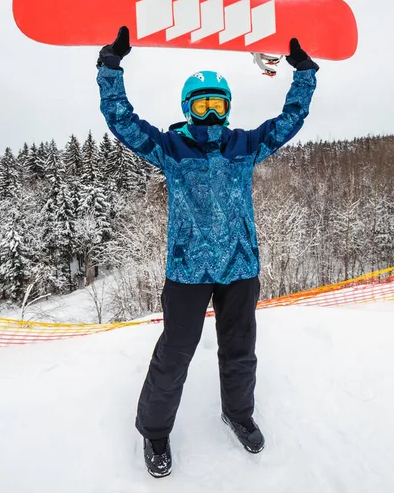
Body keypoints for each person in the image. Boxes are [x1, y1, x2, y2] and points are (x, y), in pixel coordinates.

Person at [96, 28, 319, 478]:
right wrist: (111, 68)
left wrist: (304, 73)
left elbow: (289, 120)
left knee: (240, 349)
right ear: (187, 109)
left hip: (239, 266)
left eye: (218, 103)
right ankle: (155, 431)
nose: (211, 111)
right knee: (176, 352)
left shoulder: (245, 145)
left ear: (228, 107)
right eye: (202, 104)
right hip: (187, 271)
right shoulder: (171, 148)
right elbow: (122, 122)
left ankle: (238, 414)